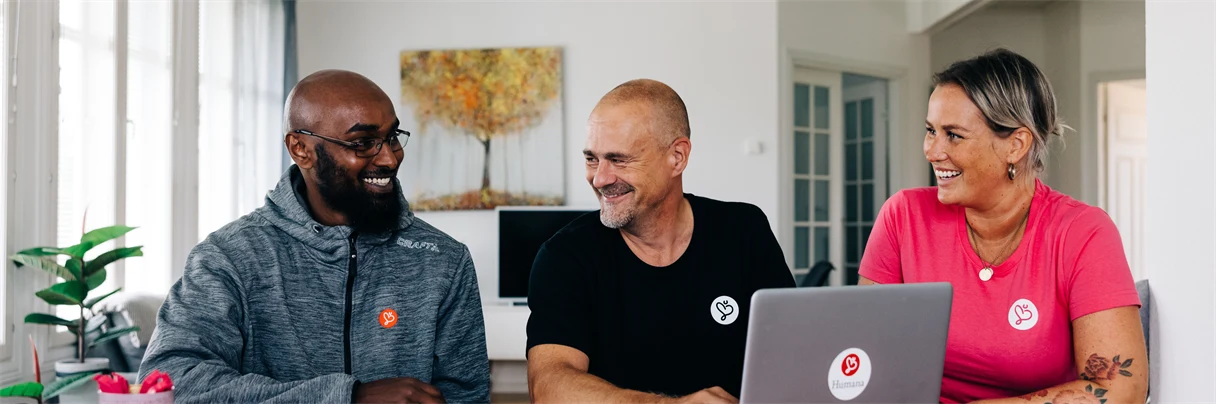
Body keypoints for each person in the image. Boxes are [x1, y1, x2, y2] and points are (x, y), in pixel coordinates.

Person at [140, 70, 490, 404]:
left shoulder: (443, 260)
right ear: (300, 149)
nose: (389, 158)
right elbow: (171, 383)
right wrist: (347, 397)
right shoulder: (228, 257)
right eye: (363, 142)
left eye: (392, 137)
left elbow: (466, 396)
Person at [859, 49, 1147, 404]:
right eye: (931, 131)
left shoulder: (1082, 232)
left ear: (1016, 145)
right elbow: (862, 351)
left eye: (954, 135)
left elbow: (1120, 389)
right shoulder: (903, 216)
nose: (932, 151)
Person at [525, 79, 795, 404]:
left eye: (619, 159)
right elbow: (549, 386)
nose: (599, 178)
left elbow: (791, 349)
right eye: (592, 159)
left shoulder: (744, 230)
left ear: (677, 157)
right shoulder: (564, 256)